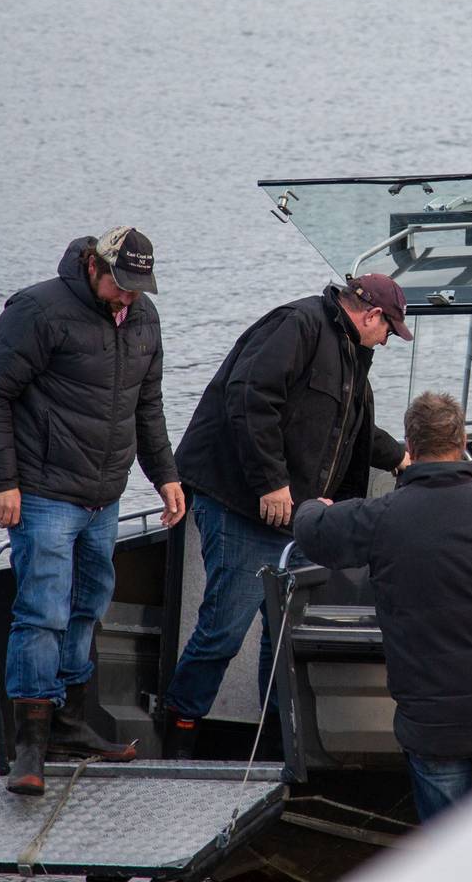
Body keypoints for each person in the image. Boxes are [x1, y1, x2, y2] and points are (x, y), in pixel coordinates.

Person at [0, 226, 186, 795]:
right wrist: (3, 483)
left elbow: (148, 405)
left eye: (141, 287)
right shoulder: (39, 309)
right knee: (41, 611)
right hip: (41, 492)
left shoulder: (142, 318)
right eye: (122, 284)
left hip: (105, 494)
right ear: (94, 266)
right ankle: (30, 748)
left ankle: (70, 723)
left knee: (88, 605)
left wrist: (165, 476)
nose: (131, 296)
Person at [293, 391, 472, 821]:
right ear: (462, 440)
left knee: (450, 858)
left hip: (432, 730)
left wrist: (317, 504)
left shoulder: (380, 517)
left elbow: (310, 531)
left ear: (409, 448)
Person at [164, 274, 412, 756]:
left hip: (296, 520)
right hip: (241, 504)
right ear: (372, 315)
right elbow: (250, 397)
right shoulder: (299, 324)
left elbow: (350, 428)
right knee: (223, 630)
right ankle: (177, 737)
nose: (389, 340)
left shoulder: (351, 354)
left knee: (284, 639)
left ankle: (277, 746)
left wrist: (402, 457)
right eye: (390, 330)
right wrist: (270, 482)